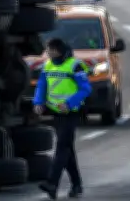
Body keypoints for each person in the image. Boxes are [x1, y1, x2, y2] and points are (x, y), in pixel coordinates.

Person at [33, 38, 92, 199]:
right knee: (67, 150)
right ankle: (77, 184)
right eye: (48, 49)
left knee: (61, 148)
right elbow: (42, 86)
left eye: (51, 49)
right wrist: (38, 102)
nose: (48, 52)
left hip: (71, 112)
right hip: (56, 112)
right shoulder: (48, 65)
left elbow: (86, 89)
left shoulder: (75, 65)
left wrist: (69, 103)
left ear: (59, 50)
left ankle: (52, 183)